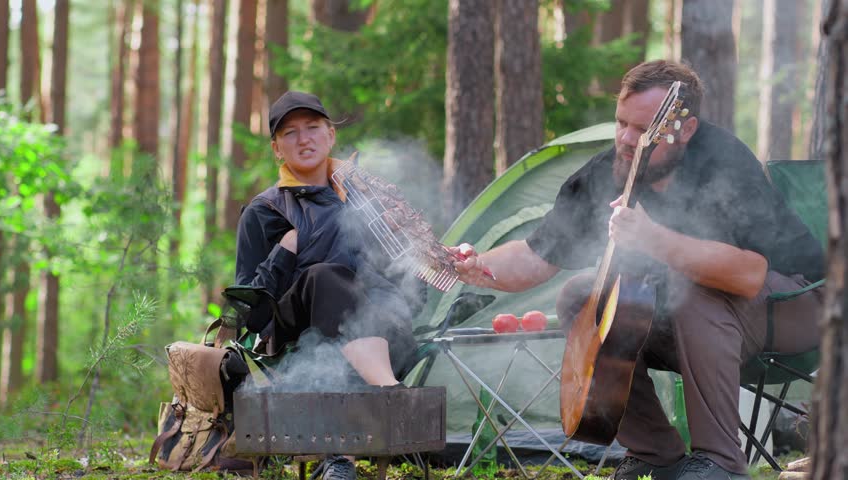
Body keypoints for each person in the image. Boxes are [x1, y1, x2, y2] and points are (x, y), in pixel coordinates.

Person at [453, 60, 823, 480]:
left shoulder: (721, 161)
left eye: (643, 130)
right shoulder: (608, 170)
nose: (627, 140)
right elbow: (535, 258)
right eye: (621, 123)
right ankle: (654, 452)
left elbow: (749, 275)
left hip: (798, 304)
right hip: (705, 326)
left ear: (684, 130)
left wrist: (654, 239)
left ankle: (719, 461)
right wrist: (477, 264)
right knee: (580, 295)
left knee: (694, 286)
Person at [235, 91, 422, 480]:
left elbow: (407, 288)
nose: (304, 139)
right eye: (291, 133)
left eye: (314, 128)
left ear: (331, 135)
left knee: (381, 300)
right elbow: (250, 315)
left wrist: (421, 254)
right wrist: (284, 253)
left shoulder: (367, 201)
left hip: (379, 334)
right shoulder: (264, 211)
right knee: (325, 276)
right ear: (276, 148)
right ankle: (388, 399)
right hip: (295, 338)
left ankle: (355, 435)